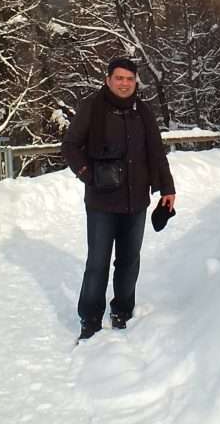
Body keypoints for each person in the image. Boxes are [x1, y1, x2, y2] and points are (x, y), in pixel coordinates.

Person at [62, 57, 176, 341]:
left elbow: (156, 152)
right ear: (108, 79)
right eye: (119, 78)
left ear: (135, 81)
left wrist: (167, 189)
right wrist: (87, 173)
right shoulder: (92, 108)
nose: (124, 83)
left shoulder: (143, 112)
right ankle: (89, 319)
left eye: (129, 79)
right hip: (102, 201)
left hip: (136, 200)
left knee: (129, 261)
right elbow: (70, 146)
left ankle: (122, 312)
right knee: (97, 262)